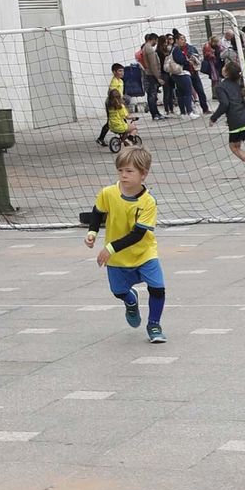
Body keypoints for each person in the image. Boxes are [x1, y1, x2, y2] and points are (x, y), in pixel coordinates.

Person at [82, 144, 165, 342]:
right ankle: (130, 300)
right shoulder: (108, 193)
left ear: (143, 174)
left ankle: (154, 325)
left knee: (158, 288)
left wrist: (109, 248)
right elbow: (97, 212)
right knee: (118, 291)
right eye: (120, 170)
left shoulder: (148, 202)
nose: (123, 175)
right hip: (118, 257)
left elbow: (138, 234)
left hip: (144, 252)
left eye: (129, 171)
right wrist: (92, 232)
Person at [208, 58, 245, 184]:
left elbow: (225, 104)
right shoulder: (238, 84)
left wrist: (213, 118)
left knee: (234, 147)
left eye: (224, 67)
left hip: (235, 121)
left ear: (226, 72)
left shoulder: (220, 87)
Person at [98, 63, 131, 150]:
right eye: (120, 71)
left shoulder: (120, 81)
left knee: (121, 118)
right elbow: (111, 94)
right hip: (112, 103)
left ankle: (124, 137)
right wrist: (116, 102)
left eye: (123, 71)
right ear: (114, 72)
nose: (122, 72)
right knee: (111, 120)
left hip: (118, 102)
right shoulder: (114, 82)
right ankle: (101, 138)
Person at [137, 34, 163, 122]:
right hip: (151, 74)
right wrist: (158, 77)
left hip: (149, 74)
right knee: (152, 95)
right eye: (156, 41)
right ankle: (155, 114)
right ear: (154, 39)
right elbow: (153, 64)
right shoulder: (149, 48)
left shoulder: (145, 47)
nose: (156, 43)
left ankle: (156, 113)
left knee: (153, 95)